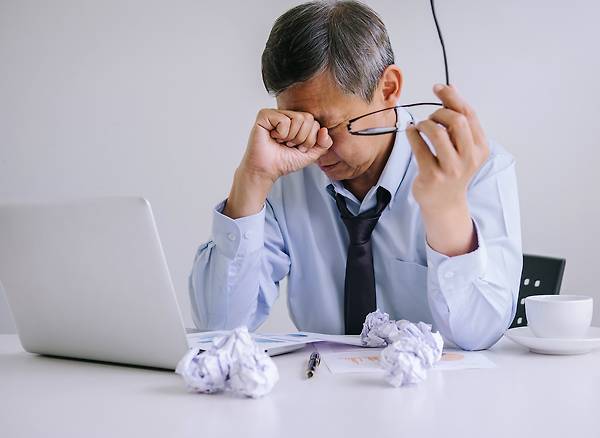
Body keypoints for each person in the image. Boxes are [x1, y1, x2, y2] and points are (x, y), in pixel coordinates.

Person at [188, 0, 522, 350]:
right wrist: (252, 179)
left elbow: (479, 335)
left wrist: (447, 212)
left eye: (329, 124)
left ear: (388, 88)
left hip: (437, 381)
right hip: (318, 380)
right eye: (299, 124)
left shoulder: (477, 168)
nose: (316, 145)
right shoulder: (284, 171)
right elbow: (219, 328)